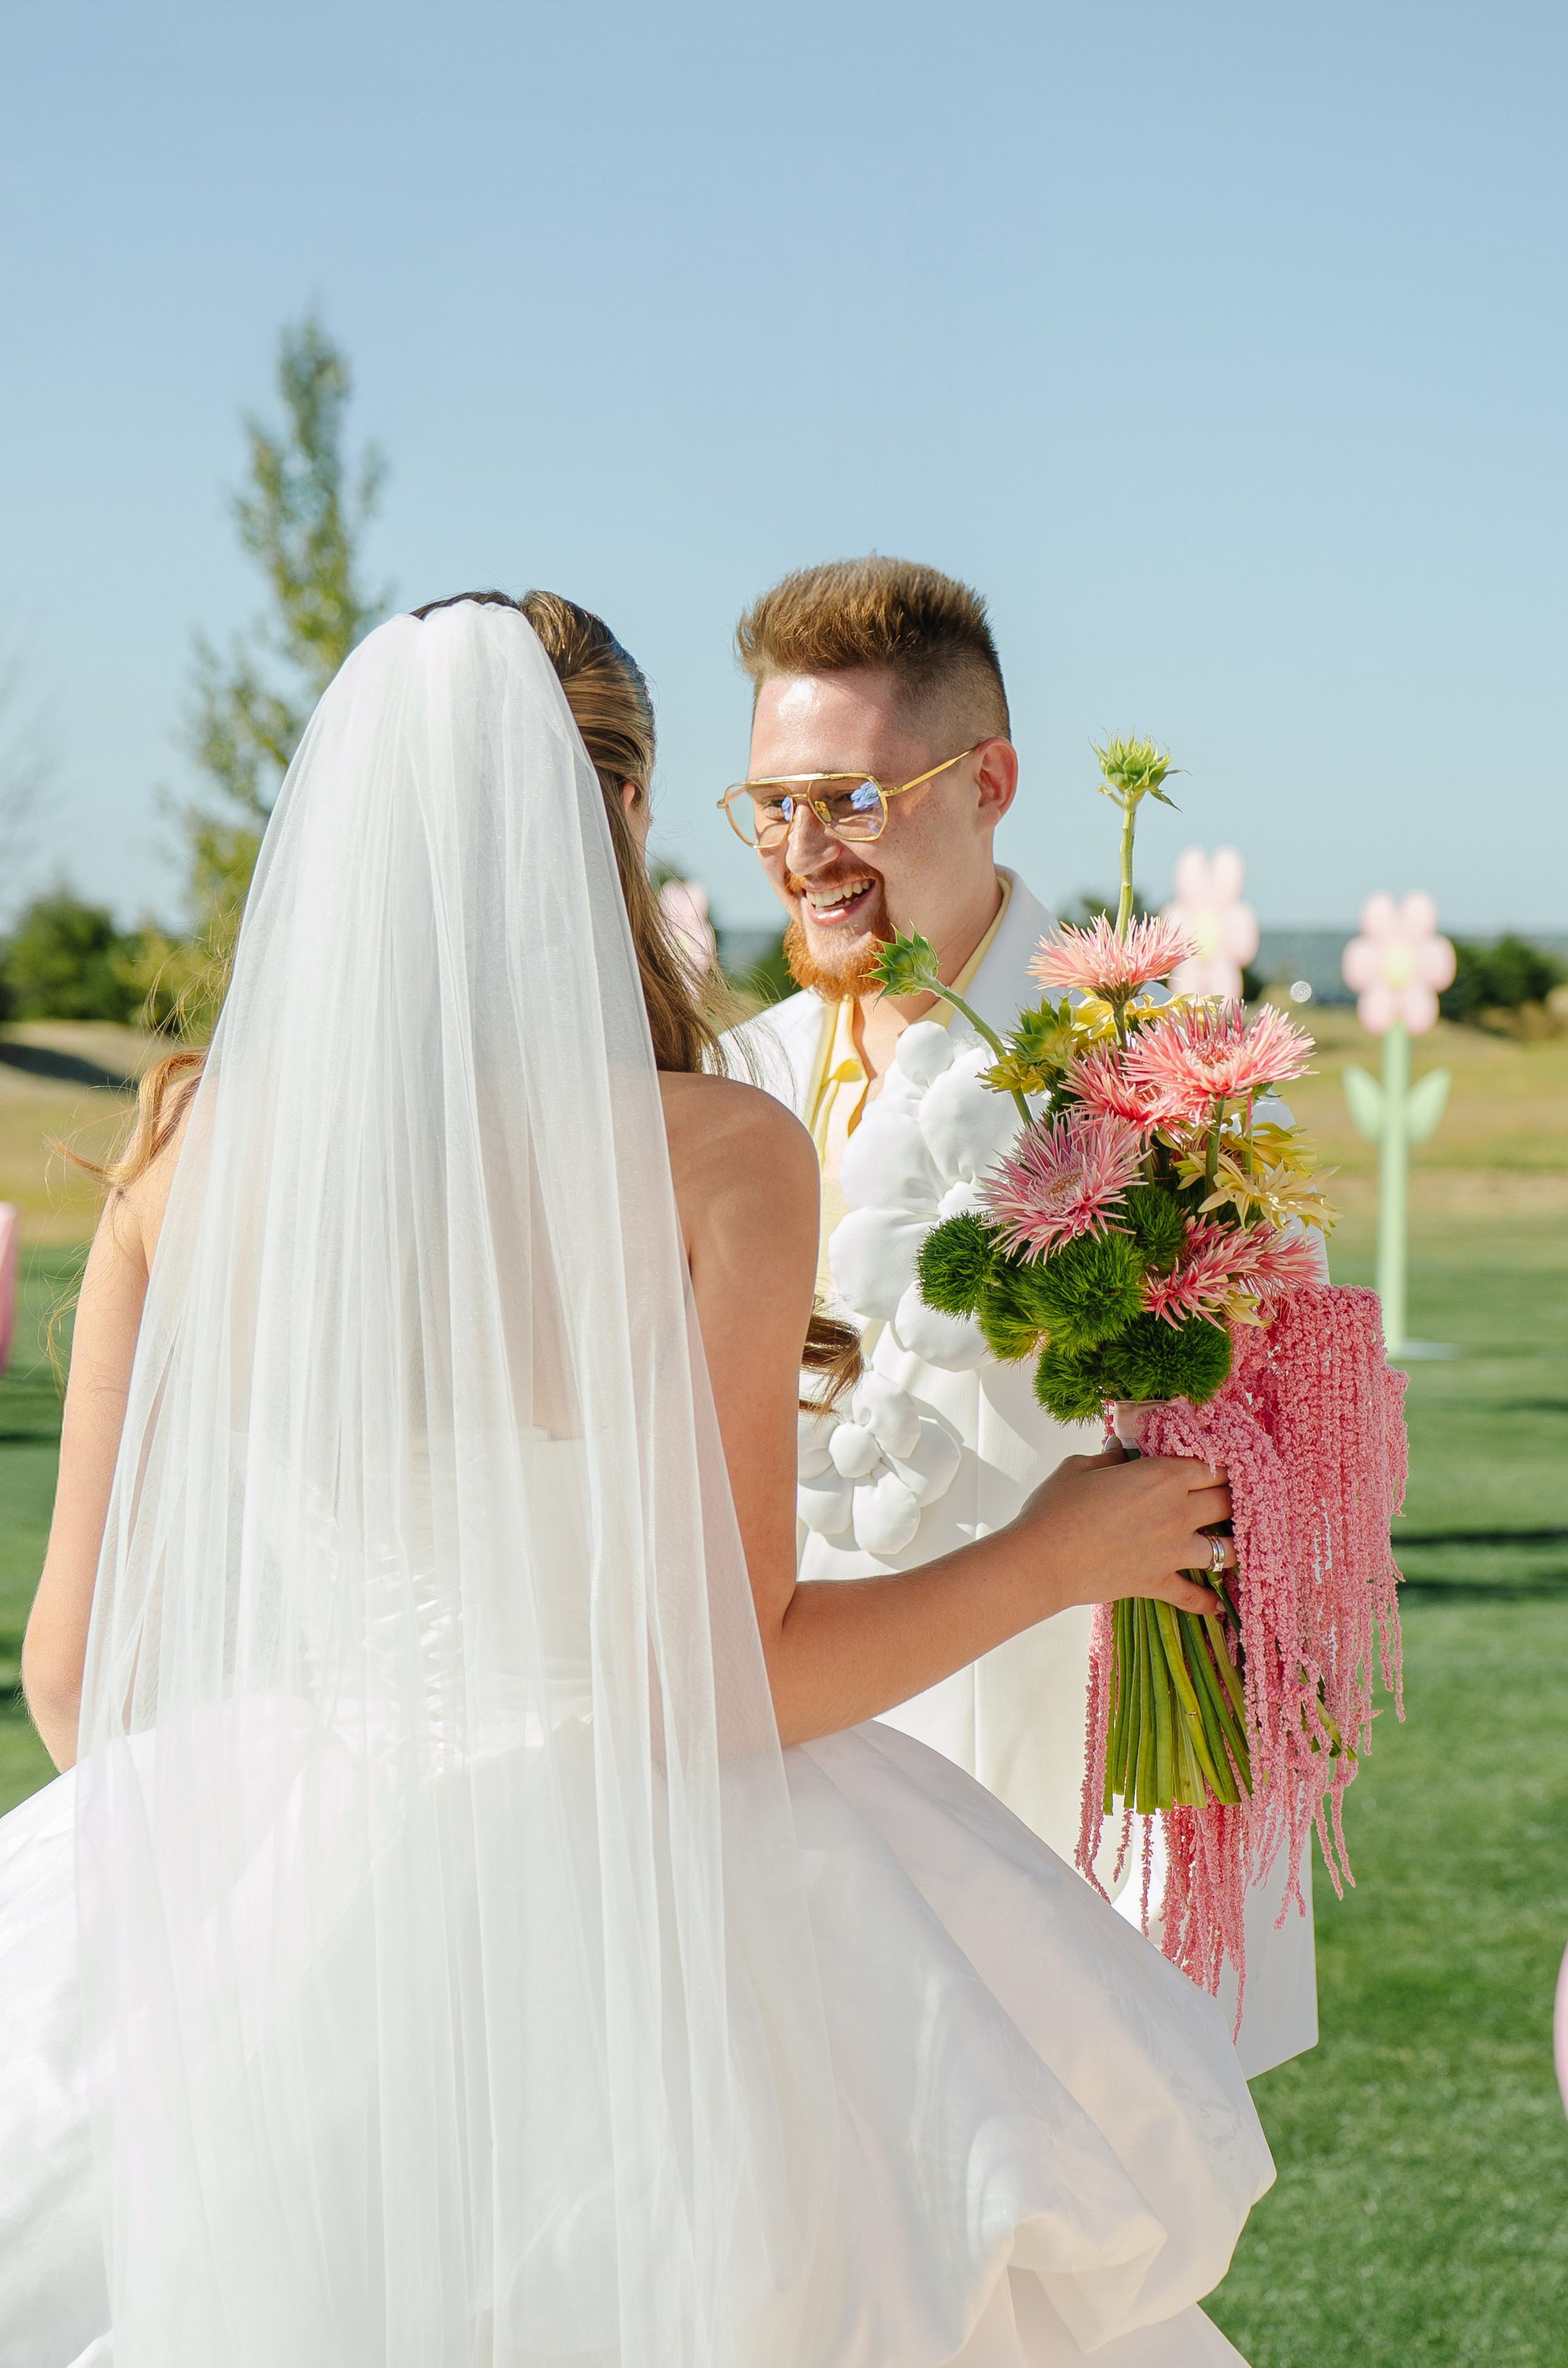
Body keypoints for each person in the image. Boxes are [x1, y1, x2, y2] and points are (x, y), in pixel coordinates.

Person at [1, 592, 1270, 2366]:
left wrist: (287, 1835)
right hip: (671, 1922)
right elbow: (727, 1686)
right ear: (606, 816)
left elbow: (72, 1680)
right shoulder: (712, 1159)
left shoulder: (177, 1159)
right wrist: (1065, 1551)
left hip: (297, 1888)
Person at [725, 557, 1316, 2077]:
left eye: (850, 800)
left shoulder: (1154, 1086)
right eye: (770, 806)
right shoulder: (728, 1083)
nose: (802, 854)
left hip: (1066, 1816)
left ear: (987, 780)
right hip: (783, 1814)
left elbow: (1262, 1476)